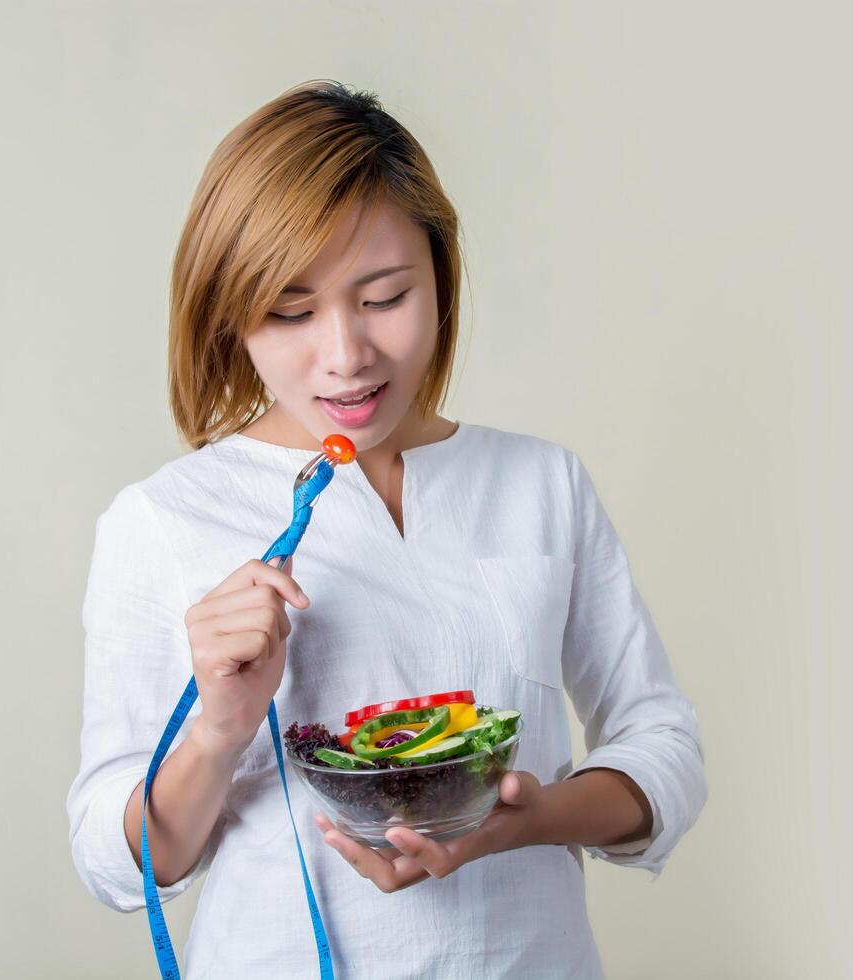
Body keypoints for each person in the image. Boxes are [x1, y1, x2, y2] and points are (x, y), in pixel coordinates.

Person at [66, 79, 707, 979]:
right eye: (290, 310)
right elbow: (115, 859)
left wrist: (529, 819)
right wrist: (217, 732)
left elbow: (663, 745)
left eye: (384, 296)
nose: (345, 355)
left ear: (440, 278)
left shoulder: (540, 483)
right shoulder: (167, 518)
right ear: (229, 310)